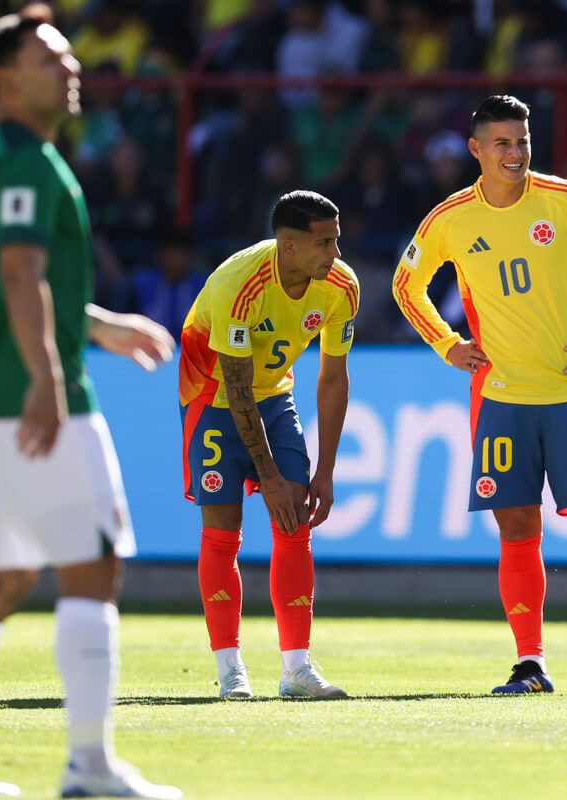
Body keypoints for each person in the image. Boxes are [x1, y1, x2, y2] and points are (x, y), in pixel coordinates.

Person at [0, 10, 181, 799]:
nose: (70, 65)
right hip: (29, 392)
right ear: (4, 78)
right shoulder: (24, 158)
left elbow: (17, 280)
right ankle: (90, 766)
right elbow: (20, 275)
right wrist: (51, 380)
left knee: (2, 576)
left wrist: (99, 325)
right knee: (95, 564)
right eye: (49, 56)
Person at [392, 95, 567, 696]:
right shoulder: (450, 219)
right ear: (476, 150)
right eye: (503, 143)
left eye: (523, 141)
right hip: (501, 398)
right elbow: (407, 284)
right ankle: (530, 663)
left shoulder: (566, 202)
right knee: (515, 527)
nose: (515, 154)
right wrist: (446, 342)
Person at [179, 190, 358, 699]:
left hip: (276, 399)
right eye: (324, 243)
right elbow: (235, 389)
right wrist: (271, 479)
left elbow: (333, 379)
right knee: (221, 532)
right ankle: (230, 669)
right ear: (288, 245)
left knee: (295, 522)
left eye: (337, 240)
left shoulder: (341, 287)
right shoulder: (240, 284)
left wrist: (324, 472)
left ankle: (297, 670)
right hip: (211, 398)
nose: (336, 254)